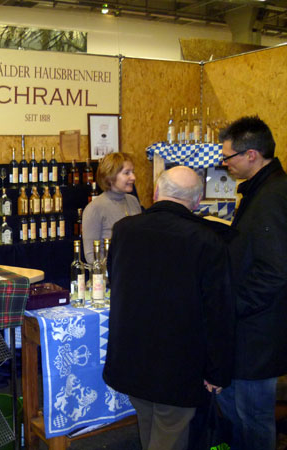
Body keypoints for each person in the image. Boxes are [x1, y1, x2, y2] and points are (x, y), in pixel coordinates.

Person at [103, 166, 234, 450]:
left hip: (132, 356)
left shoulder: (124, 230)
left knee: (149, 426)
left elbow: (114, 280)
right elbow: (218, 312)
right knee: (168, 434)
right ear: (197, 201)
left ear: (156, 192)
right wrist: (218, 371)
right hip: (178, 365)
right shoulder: (208, 240)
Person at [216, 116, 287, 450]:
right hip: (250, 328)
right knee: (238, 412)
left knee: (253, 418)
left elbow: (274, 271)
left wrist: (232, 305)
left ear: (252, 155)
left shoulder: (272, 196)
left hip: (258, 333)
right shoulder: (262, 190)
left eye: (228, 157)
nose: (224, 163)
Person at [82, 152, 141, 263]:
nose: (133, 177)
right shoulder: (94, 209)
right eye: (127, 173)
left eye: (133, 172)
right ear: (110, 177)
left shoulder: (133, 201)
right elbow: (91, 256)